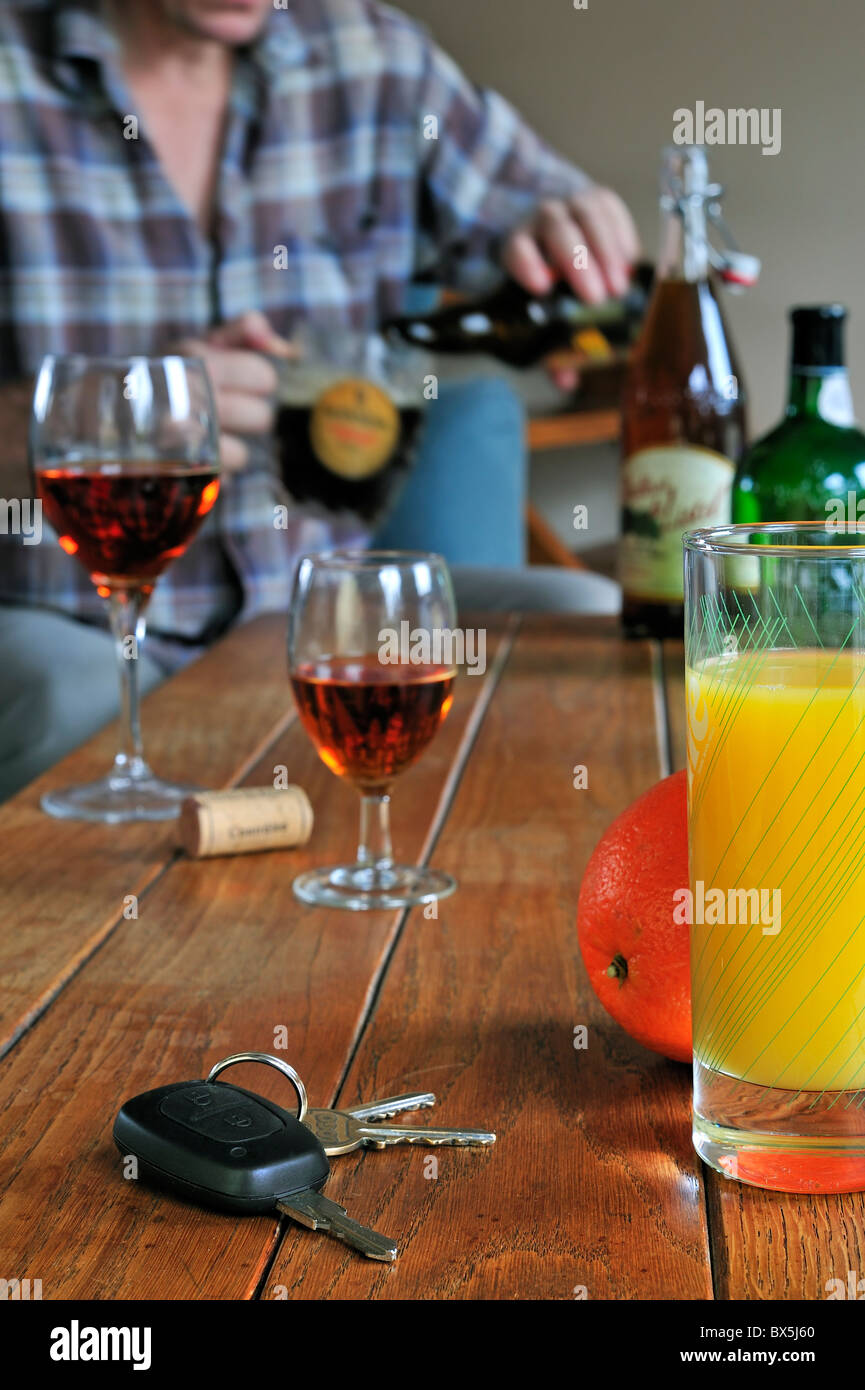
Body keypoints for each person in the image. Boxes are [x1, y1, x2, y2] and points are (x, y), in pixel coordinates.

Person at [0, 0, 638, 799]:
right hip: (66, 616)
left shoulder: (372, 59)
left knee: (585, 614)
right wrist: (100, 416)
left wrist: (566, 235)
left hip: (321, 599)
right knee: (74, 700)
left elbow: (535, 213)